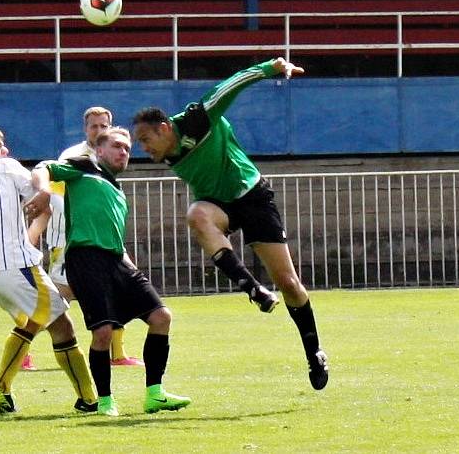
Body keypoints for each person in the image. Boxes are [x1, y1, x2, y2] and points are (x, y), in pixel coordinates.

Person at [132, 57, 329, 391]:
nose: (144, 148)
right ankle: (252, 288)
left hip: (251, 196)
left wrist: (273, 67)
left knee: (290, 283)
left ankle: (315, 352)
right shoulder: (165, 149)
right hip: (218, 205)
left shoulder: (197, 118)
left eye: (145, 140)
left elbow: (233, 82)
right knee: (196, 214)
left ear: (164, 128)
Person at [28, 127, 191, 416]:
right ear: (99, 151)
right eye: (117, 146)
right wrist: (42, 190)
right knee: (102, 332)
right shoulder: (84, 166)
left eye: (127, 148)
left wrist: (128, 263)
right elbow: (43, 167)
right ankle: (105, 401)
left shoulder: (116, 188)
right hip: (85, 259)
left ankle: (155, 393)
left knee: (161, 317)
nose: (123, 152)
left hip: (117, 260)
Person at [0, 127, 98, 414]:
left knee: (34, 321)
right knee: (62, 324)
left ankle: (1, 389)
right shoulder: (4, 167)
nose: (5, 150)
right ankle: (89, 400)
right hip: (14, 263)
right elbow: (42, 193)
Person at [25, 106, 144, 370]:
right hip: (72, 242)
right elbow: (56, 194)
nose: (99, 130)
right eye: (94, 126)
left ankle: (118, 353)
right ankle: (23, 346)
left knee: (122, 286)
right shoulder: (75, 156)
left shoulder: (111, 155)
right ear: (85, 128)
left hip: (103, 240)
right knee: (57, 299)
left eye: (104, 126)